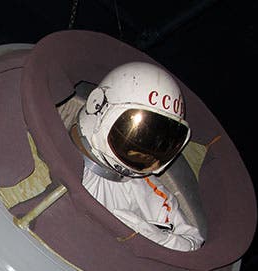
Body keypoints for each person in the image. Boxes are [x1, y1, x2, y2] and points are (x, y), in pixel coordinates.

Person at [70, 61, 204, 251]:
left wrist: (151, 236)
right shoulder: (52, 153)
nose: (144, 150)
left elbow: (192, 243)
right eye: (138, 133)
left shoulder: (145, 188)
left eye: (156, 141)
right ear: (97, 105)